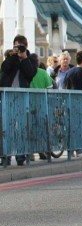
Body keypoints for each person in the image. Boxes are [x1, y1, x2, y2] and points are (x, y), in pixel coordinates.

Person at [0, 35, 37, 166]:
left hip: (22, 96)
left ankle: (21, 156)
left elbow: (31, 74)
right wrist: (13, 56)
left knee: (21, 126)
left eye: (21, 46)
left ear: (26, 46)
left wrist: (24, 58)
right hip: (7, 95)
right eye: (16, 46)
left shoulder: (31, 58)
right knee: (6, 127)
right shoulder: (11, 58)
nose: (19, 49)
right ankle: (5, 157)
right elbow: (4, 69)